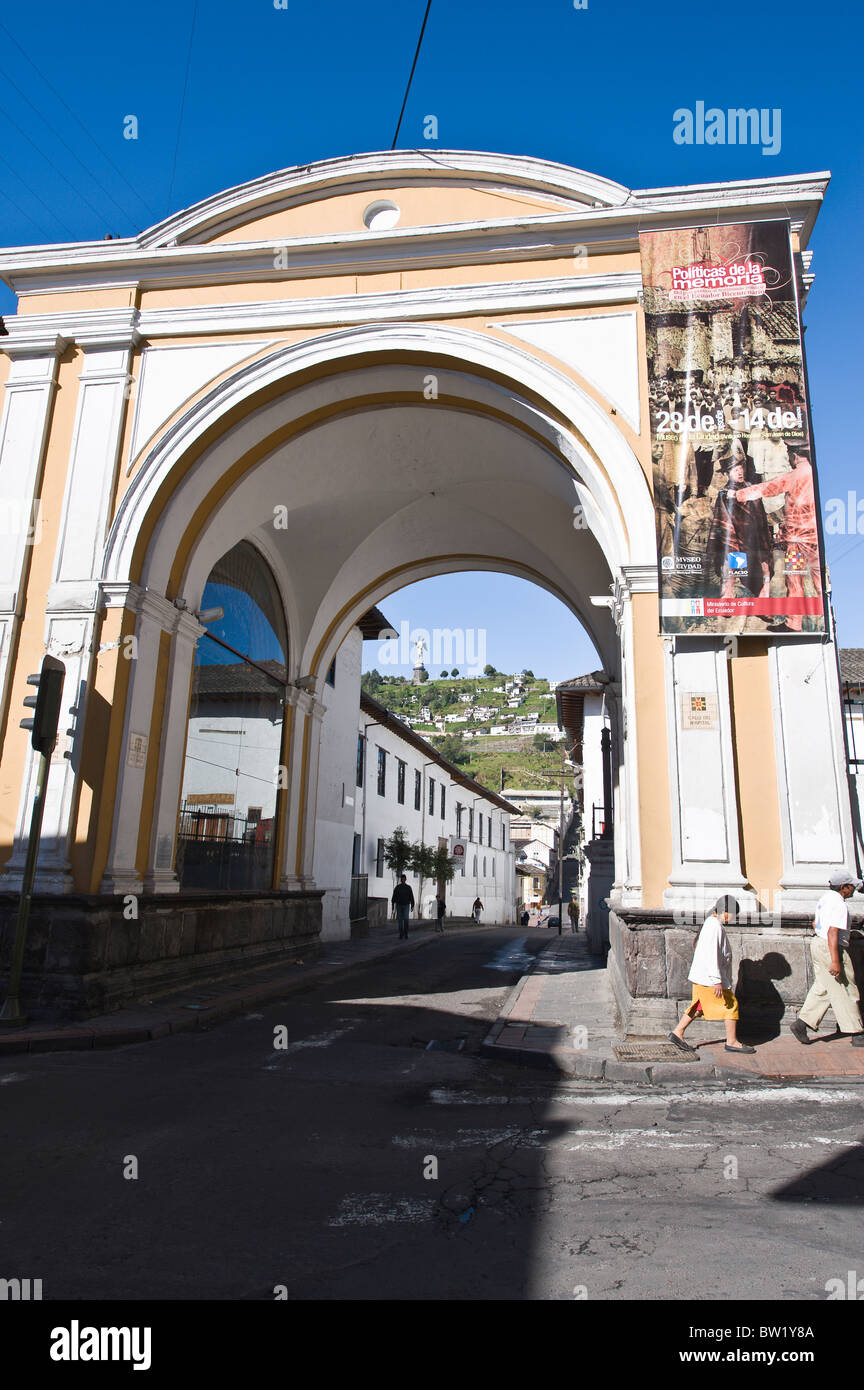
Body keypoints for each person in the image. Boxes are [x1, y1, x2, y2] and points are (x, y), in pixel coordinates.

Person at [669, 896, 756, 1054]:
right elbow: (712, 955)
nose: (734, 918)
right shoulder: (714, 926)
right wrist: (717, 981)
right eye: (733, 914)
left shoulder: (711, 923)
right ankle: (732, 1042)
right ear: (725, 912)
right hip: (710, 979)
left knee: (698, 1006)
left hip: (703, 977)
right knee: (731, 1005)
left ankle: (678, 1032)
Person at [791, 870, 864, 1045]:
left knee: (824, 986)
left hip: (818, 943)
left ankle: (802, 1023)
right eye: (851, 886)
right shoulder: (839, 904)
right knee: (846, 987)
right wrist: (836, 960)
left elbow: (816, 923)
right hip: (831, 947)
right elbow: (833, 932)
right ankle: (856, 1032)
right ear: (843, 887)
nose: (853, 889)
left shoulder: (825, 899)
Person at [706, 456, 773, 599]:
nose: (739, 472)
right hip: (736, 541)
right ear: (726, 474)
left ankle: (764, 603)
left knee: (765, 570)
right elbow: (722, 518)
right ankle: (727, 601)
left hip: (756, 540)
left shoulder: (751, 488)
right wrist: (731, 541)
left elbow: (760, 513)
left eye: (740, 468)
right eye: (735, 470)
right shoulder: (724, 494)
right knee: (732, 570)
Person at [391, 875, 415, 940]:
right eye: (402, 879)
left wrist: (412, 905)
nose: (403, 880)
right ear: (401, 880)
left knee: (406, 919)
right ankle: (401, 934)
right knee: (400, 920)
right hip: (399, 905)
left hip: (406, 905)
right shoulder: (397, 887)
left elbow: (411, 896)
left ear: (405, 879)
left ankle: (406, 933)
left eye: (404, 879)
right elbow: (394, 896)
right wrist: (393, 905)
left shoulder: (408, 887)